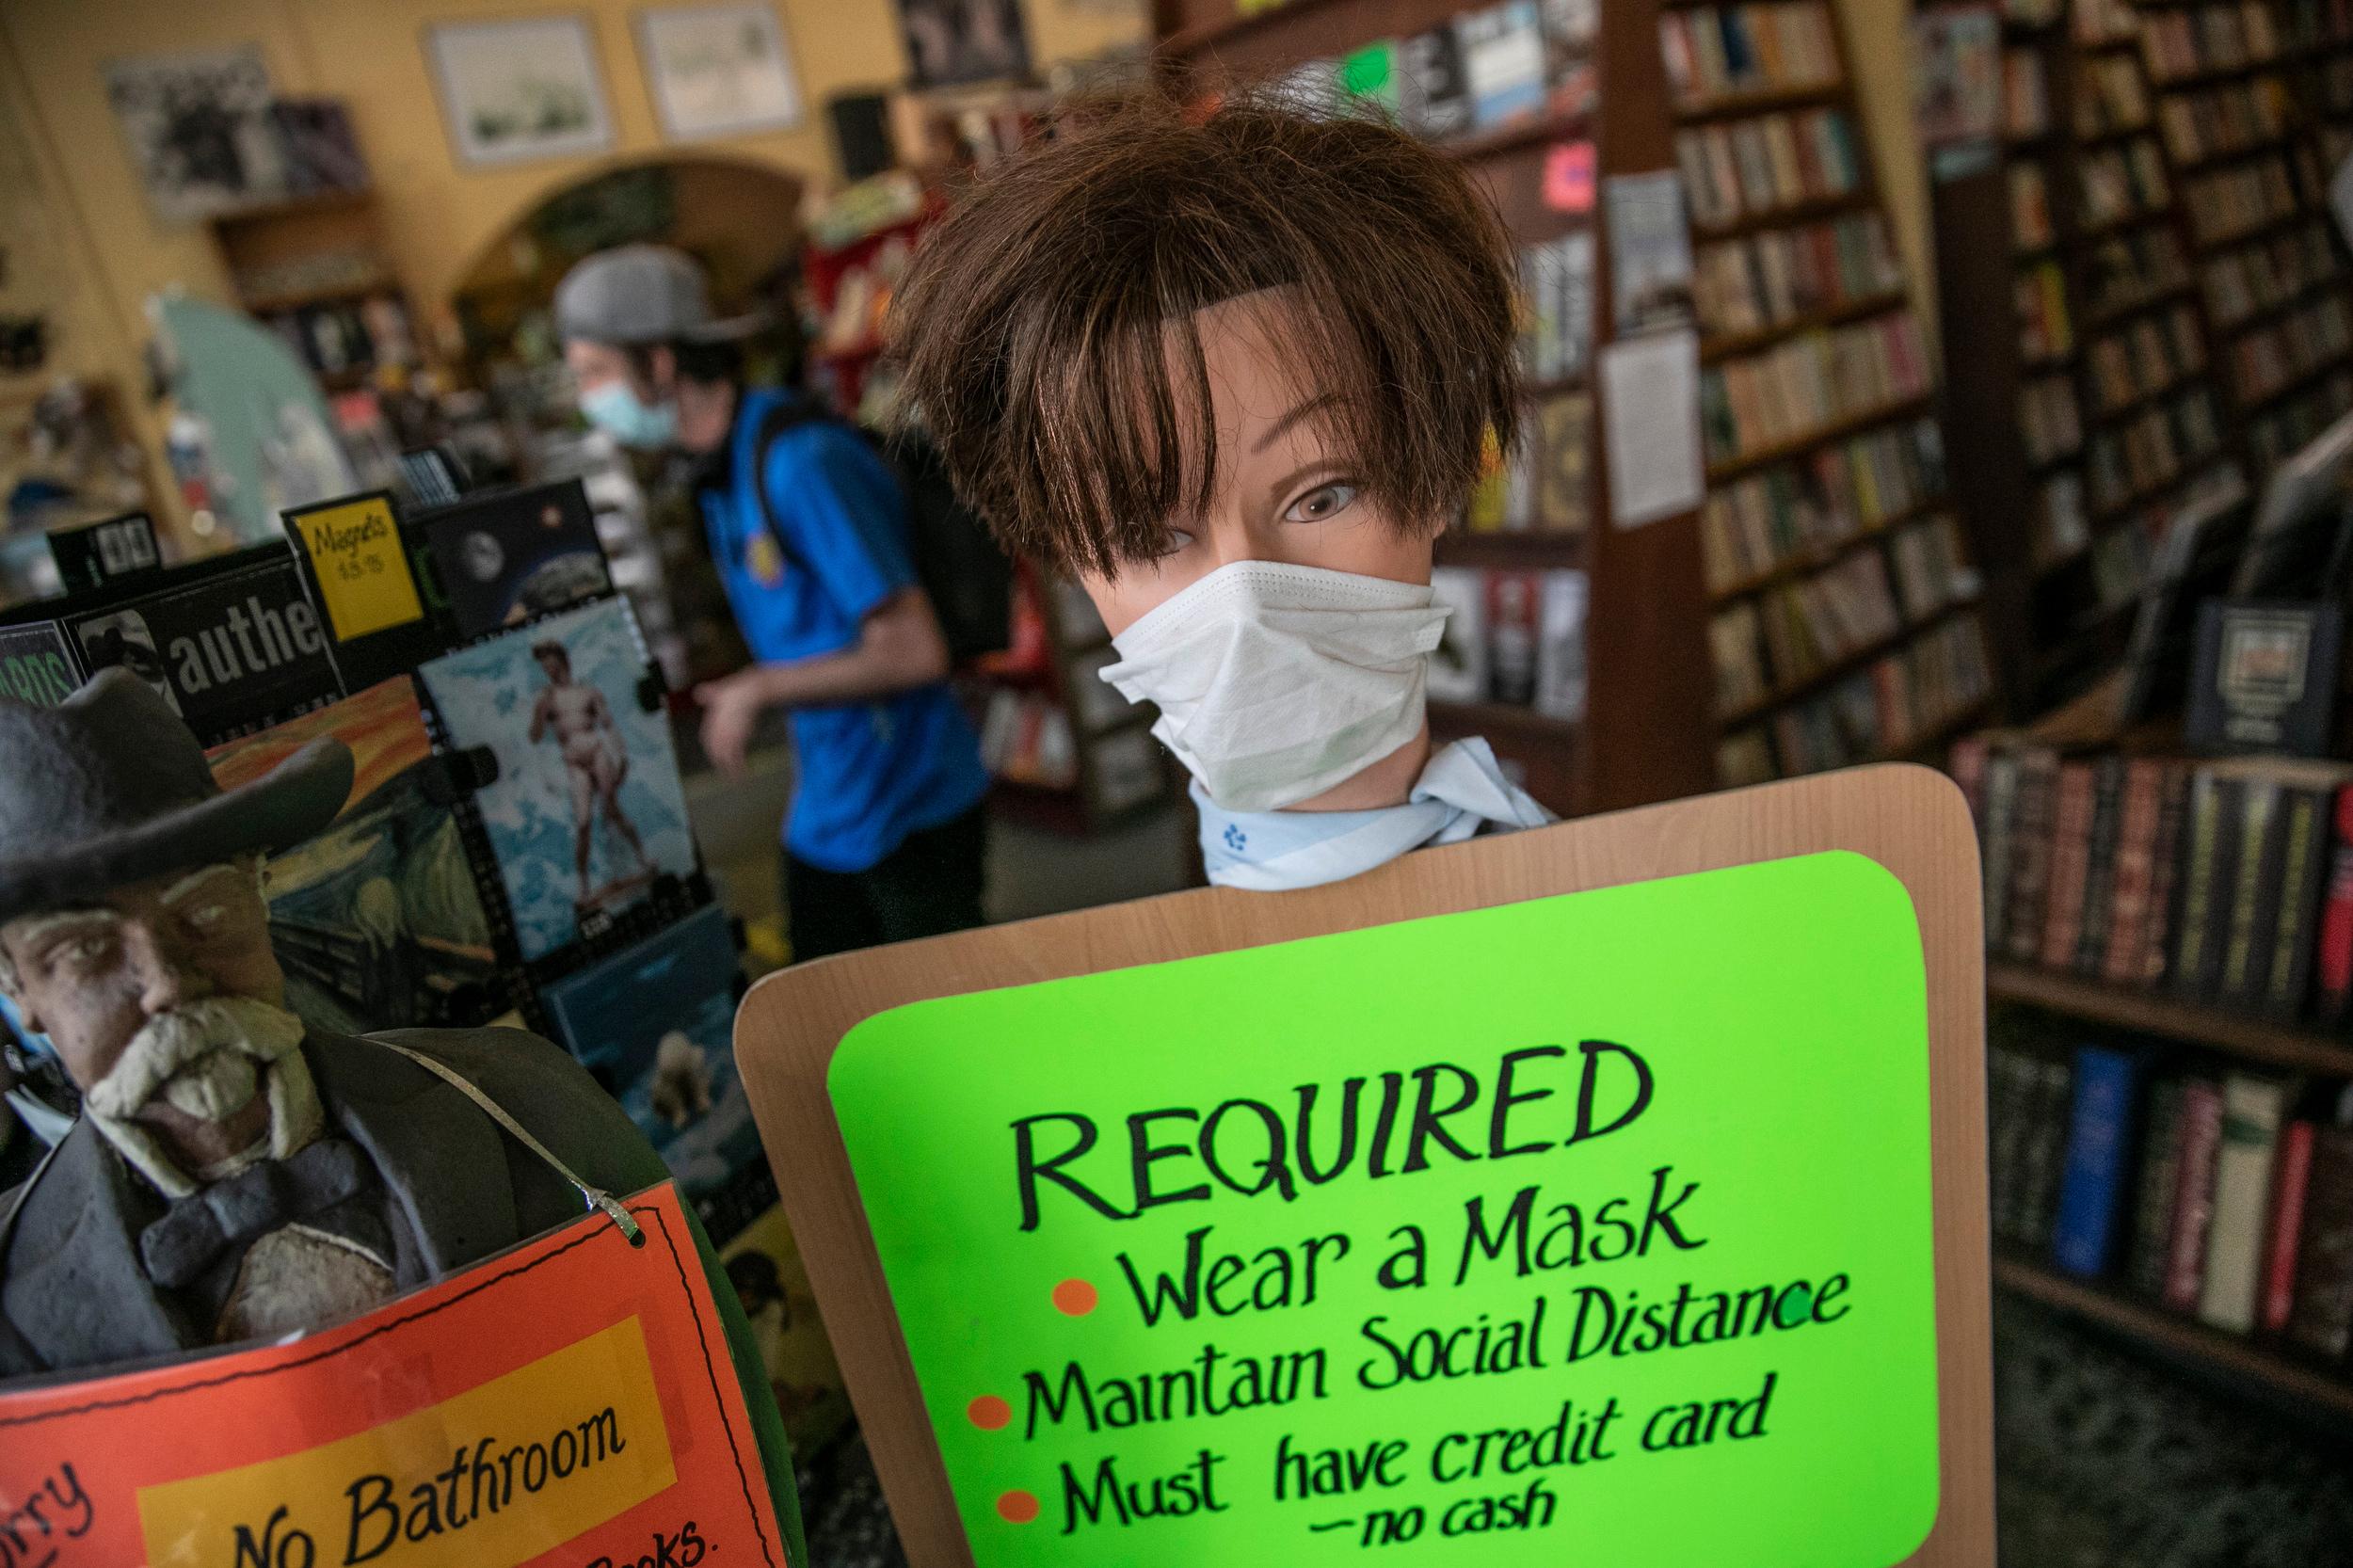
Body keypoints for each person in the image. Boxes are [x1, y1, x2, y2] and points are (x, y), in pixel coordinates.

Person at [0, 671, 805, 1562]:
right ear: (16, 990)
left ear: (260, 894)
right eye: (83, 952)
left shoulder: (519, 1100)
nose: (164, 985)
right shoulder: (18, 1306)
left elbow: (722, 1419)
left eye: (206, 912)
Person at [888, 93, 1552, 891]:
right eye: (1152, 537)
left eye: (1323, 496)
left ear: (1441, 469)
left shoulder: (1617, 915)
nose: (1245, 605)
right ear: (1070, 559)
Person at [554, 246, 990, 961]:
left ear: (660, 364)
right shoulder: (724, 471)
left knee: (949, 1028)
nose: (589, 401)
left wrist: (761, 688)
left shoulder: (800, 463)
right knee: (818, 1015)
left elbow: (914, 649)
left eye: (596, 373)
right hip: (831, 803)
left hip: (907, 801)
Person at [526, 637, 654, 907]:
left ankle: (642, 860)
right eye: (546, 667)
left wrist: (621, 758)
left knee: (612, 809)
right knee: (583, 822)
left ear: (563, 663)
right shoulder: (546, 699)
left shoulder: (588, 692)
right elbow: (535, 736)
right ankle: (584, 887)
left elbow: (608, 725)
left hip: (596, 752)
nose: (551, 671)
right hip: (574, 760)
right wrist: (540, 713)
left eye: (553, 665)